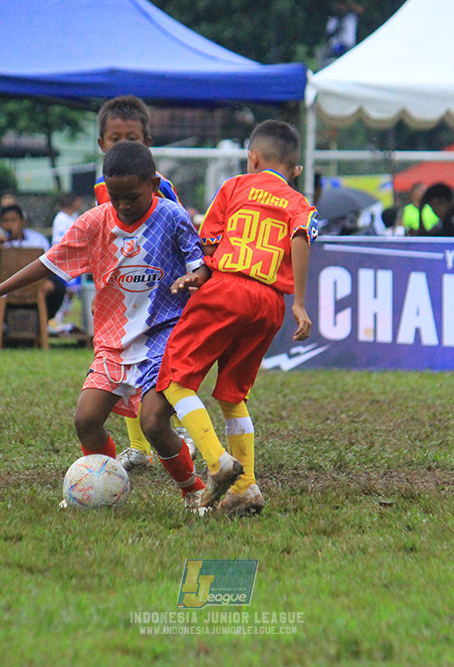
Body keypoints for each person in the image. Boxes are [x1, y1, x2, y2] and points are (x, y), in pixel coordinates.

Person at [0, 141, 209, 510]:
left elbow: (200, 264)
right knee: (86, 420)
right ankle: (103, 482)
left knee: (155, 424)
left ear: (153, 183)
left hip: (164, 338)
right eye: (115, 195)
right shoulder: (95, 222)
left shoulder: (172, 217)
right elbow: (49, 262)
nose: (124, 204)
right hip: (114, 341)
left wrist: (196, 278)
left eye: (133, 196)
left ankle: (193, 490)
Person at [152, 120, 317, 517]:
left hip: (226, 289)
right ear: (295, 170)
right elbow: (301, 237)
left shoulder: (234, 187)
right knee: (231, 394)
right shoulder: (299, 203)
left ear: (253, 158)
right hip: (271, 303)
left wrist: (198, 275)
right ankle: (245, 488)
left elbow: (209, 243)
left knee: (175, 381)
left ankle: (216, 462)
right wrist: (299, 303)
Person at [93, 94, 194, 472]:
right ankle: (138, 448)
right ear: (102, 144)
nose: (123, 146)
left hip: (160, 294)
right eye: (115, 139)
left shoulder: (159, 187)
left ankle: (179, 432)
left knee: (156, 371)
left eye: (131, 138)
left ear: (147, 144)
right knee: (124, 367)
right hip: (126, 293)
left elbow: (179, 231)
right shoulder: (105, 187)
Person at [0, 203, 65, 324]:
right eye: (5, 221)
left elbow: (49, 266)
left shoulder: (38, 240)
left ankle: (41, 322)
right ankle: (5, 322)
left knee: (58, 287)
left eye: (13, 220)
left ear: (22, 221)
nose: (9, 225)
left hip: (35, 288)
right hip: (7, 288)